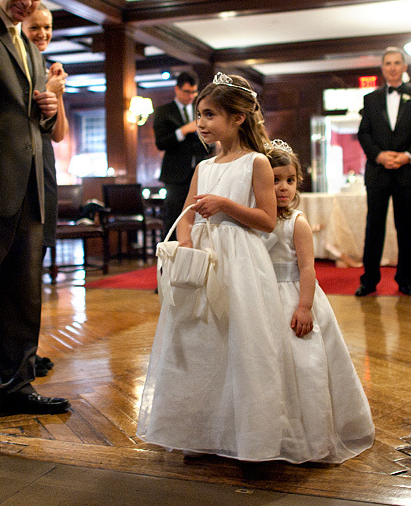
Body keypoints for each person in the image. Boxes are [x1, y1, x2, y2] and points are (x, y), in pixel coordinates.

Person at [138, 72, 289, 461]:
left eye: (209, 115)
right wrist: (187, 243)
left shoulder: (256, 162)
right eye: (200, 115)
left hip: (240, 259)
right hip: (205, 260)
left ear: (237, 118)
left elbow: (267, 219)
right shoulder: (205, 165)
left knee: (241, 340)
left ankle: (250, 437)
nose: (201, 123)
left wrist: (224, 205)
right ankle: (202, 430)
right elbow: (187, 212)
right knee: (201, 342)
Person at [261, 140, 374, 462]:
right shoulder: (256, 219)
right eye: (274, 180)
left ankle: (308, 434)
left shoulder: (297, 222)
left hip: (293, 296)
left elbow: (307, 267)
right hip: (261, 297)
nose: (283, 188)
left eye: (290, 180)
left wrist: (304, 306)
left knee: (303, 364)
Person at [0, 0, 69, 414]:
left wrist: (48, 107)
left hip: (33, 185)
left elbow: (41, 128)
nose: (28, 2)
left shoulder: (33, 50)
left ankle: (16, 388)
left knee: (23, 291)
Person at [355, 48, 411, 297]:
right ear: (382, 67)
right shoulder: (370, 98)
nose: (392, 67)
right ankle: (368, 281)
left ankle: (405, 280)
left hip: (408, 173)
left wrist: (407, 156)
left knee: (405, 228)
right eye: (387, 63)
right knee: (373, 227)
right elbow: (364, 132)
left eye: (397, 63)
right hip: (378, 172)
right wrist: (378, 155)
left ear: (405, 66)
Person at [23, 2, 68, 378]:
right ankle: (20, 355)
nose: (43, 34)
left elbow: (58, 132)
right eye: (36, 27)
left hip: (45, 172)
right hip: (24, 174)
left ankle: (28, 353)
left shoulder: (43, 65)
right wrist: (47, 90)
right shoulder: (20, 65)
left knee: (34, 270)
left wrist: (58, 93)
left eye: (48, 28)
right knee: (22, 274)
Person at [153, 71, 213, 235]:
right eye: (187, 91)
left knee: (199, 216)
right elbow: (161, 143)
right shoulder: (164, 111)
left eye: (194, 92)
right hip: (175, 175)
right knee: (173, 217)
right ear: (177, 89)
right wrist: (183, 131)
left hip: (199, 173)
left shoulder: (199, 110)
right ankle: (171, 255)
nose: (191, 96)